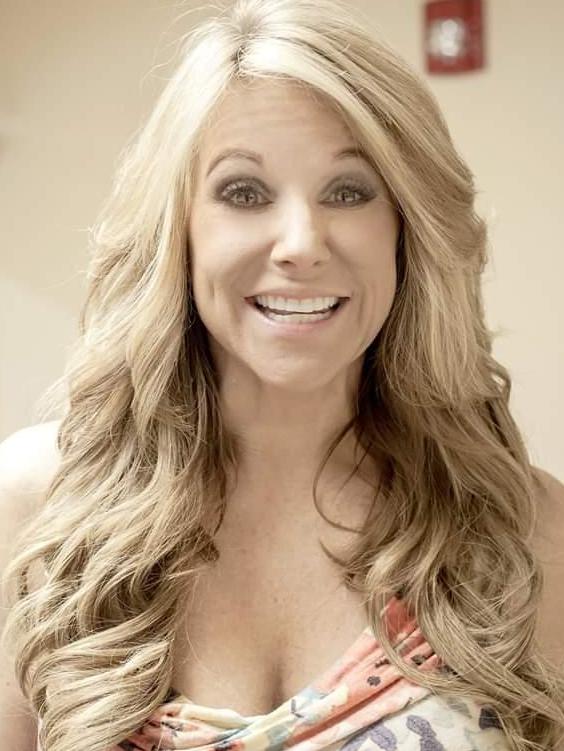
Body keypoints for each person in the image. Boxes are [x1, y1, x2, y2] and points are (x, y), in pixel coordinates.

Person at [1, 0, 563, 749]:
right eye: (244, 192)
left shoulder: (527, 529)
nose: (301, 242)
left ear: (406, 230)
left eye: (348, 191)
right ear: (180, 231)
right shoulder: (36, 509)